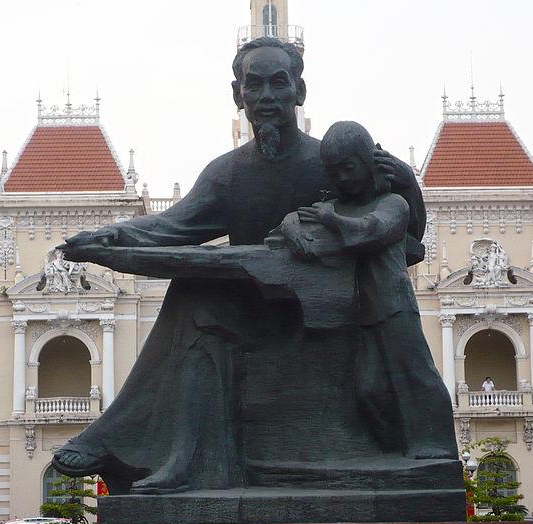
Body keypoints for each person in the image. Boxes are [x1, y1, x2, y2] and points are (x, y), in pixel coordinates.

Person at [52, 37, 426, 492]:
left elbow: (405, 238)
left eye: (278, 83)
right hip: (252, 305)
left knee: (200, 297)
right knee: (196, 292)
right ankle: (185, 460)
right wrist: (113, 235)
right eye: (255, 85)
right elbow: (172, 225)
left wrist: (408, 184)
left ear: (299, 91)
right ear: (238, 95)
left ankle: (127, 443)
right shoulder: (227, 173)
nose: (267, 97)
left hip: (324, 314)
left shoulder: (330, 163)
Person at [276, 121, 456, 459]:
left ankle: (437, 447)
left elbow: (368, 232)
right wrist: (291, 228)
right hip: (360, 312)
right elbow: (295, 217)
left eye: (349, 167)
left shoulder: (392, 204)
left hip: (394, 306)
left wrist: (330, 220)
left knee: (417, 375)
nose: (342, 178)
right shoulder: (339, 206)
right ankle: (395, 450)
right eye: (334, 171)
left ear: (367, 160)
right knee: (369, 389)